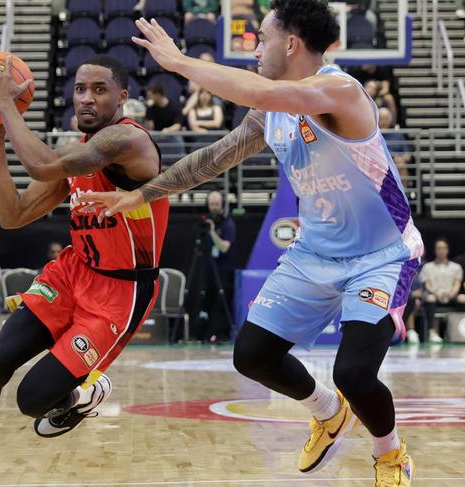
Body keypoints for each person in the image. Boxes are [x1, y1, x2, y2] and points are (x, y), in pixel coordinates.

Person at [83, 4, 424, 485]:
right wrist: (142, 193)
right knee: (253, 355)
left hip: (381, 256)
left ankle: (390, 455)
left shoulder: (339, 90)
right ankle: (328, 412)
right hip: (315, 253)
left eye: (261, 38)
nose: (254, 47)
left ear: (291, 44)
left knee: (354, 371)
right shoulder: (270, 110)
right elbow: (214, 157)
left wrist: (180, 63)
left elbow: (269, 90)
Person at [0, 54, 168, 487]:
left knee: (32, 399)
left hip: (119, 293)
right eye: (79, 89)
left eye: (99, 89)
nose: (86, 98)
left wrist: (5, 105)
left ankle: (87, 394)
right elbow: (12, 215)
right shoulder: (78, 156)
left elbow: (40, 165)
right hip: (73, 273)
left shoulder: (128, 143)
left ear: (122, 98)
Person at [196, 190, 236, 343]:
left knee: (222, 302)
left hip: (224, 270)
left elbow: (224, 247)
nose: (213, 207)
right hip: (209, 270)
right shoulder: (206, 223)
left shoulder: (228, 224)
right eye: (211, 204)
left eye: (217, 204)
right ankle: (202, 334)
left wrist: (212, 233)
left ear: (222, 205)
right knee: (206, 300)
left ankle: (222, 335)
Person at [420, 238, 465, 344]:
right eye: (439, 248)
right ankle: (431, 332)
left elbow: (457, 284)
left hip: (451, 294)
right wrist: (436, 293)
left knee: (463, 298)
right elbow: (427, 285)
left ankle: (459, 331)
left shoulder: (456, 267)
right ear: (435, 250)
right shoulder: (427, 267)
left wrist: (451, 293)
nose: (441, 251)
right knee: (430, 298)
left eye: (444, 248)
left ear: (447, 250)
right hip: (434, 294)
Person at [379, 107, 412, 187]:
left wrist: (402, 158)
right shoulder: (374, 135)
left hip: (396, 163)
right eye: (381, 119)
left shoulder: (398, 135)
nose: (384, 122)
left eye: (386, 119)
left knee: (401, 164)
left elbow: (408, 155)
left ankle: (403, 194)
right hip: (380, 162)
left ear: (390, 120)